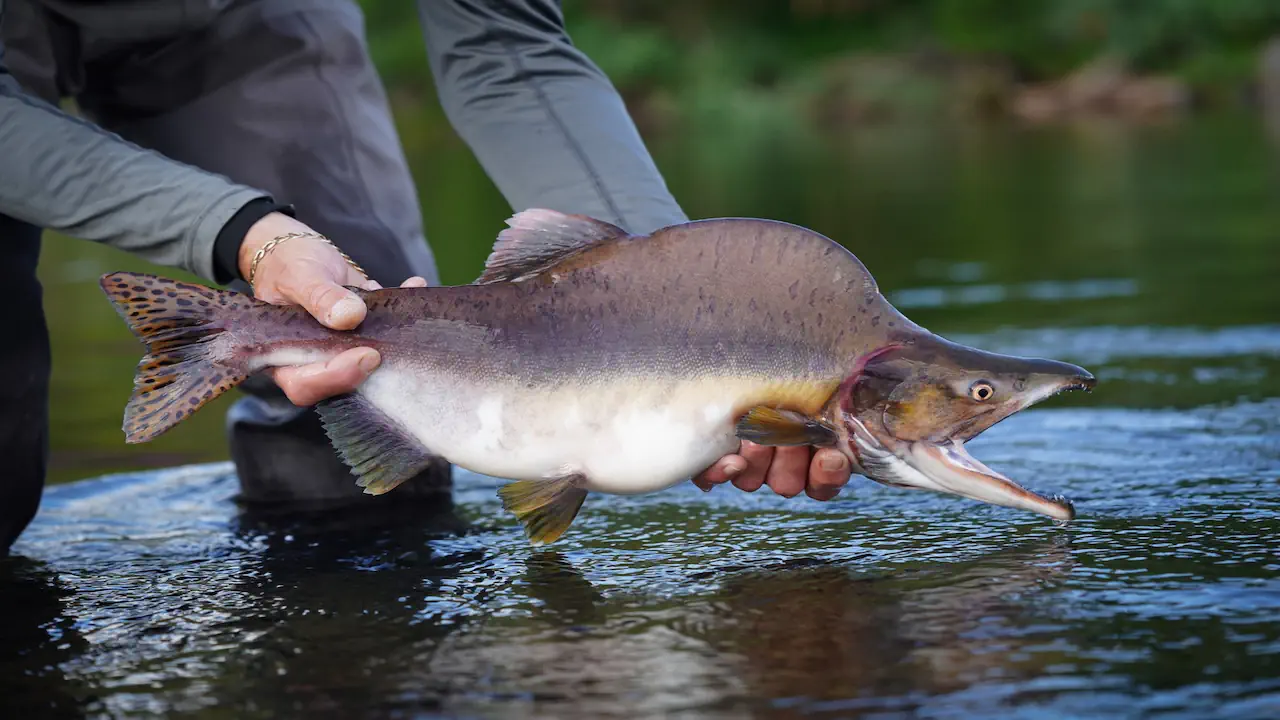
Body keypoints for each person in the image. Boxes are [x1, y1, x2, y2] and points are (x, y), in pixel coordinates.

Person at [0, 0, 853, 555]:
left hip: (238, 22)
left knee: (378, 382)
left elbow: (506, 45)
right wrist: (241, 235)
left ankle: (354, 668)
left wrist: (686, 318)